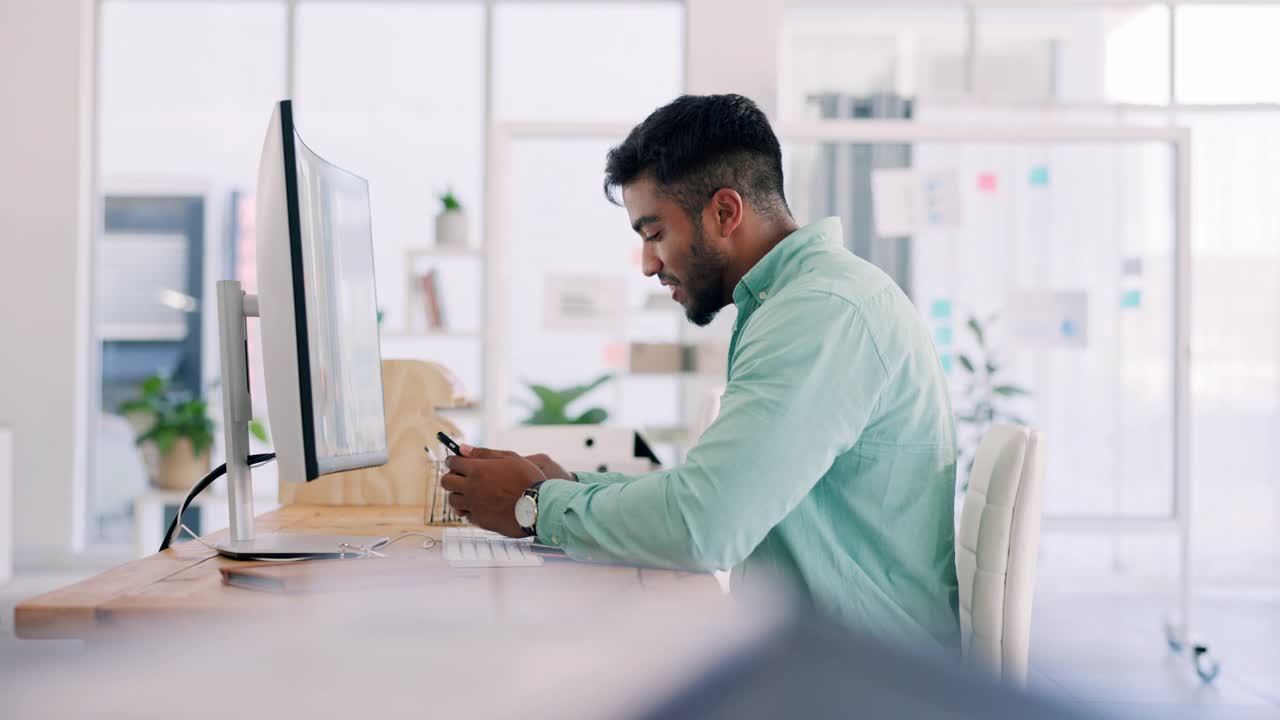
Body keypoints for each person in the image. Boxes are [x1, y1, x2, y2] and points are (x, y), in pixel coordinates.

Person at [441, 94, 960, 650]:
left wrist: (536, 506)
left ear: (724, 213)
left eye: (654, 232)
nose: (647, 264)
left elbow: (706, 526)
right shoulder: (800, 301)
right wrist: (569, 487)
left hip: (860, 679)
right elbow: (712, 493)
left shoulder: (821, 312)